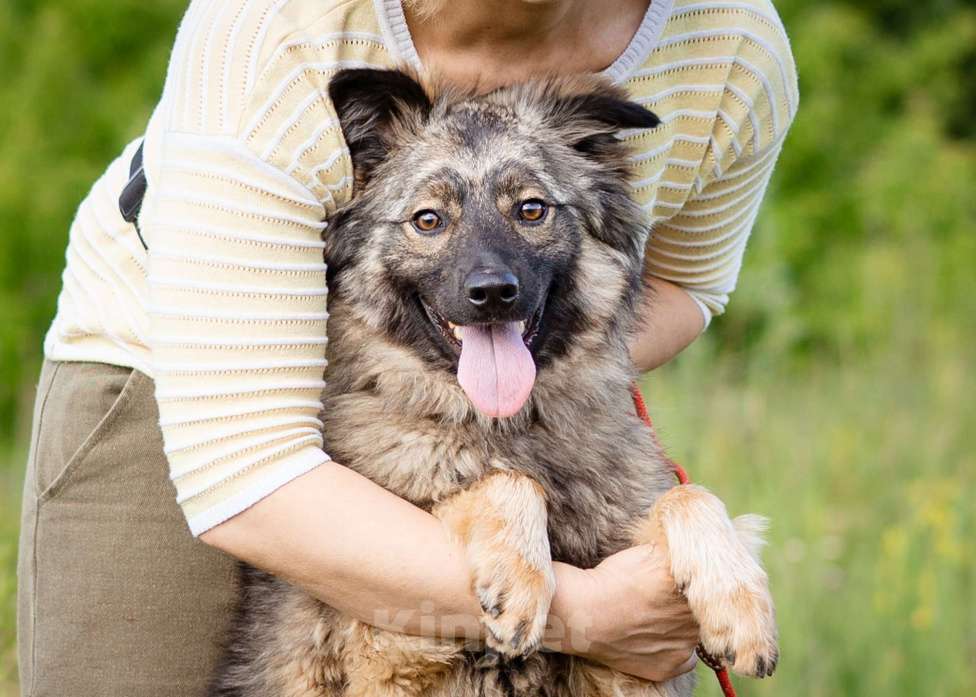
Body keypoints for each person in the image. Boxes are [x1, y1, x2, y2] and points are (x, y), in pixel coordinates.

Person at [15, 0, 799, 695]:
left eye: (530, 210)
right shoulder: (267, 30)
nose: (489, 271)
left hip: (459, 378)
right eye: (431, 220)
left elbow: (683, 285)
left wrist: (523, 385)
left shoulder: (729, 41)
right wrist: (584, 613)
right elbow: (243, 467)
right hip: (182, 377)